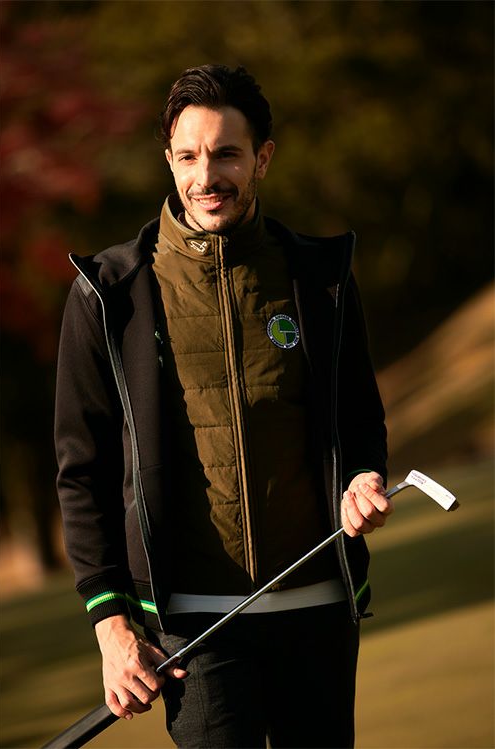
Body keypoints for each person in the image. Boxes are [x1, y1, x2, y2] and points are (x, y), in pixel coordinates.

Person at [55, 64, 391, 749]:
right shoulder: (108, 293)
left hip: (318, 613)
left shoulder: (320, 278)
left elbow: (360, 422)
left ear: (262, 158)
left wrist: (363, 477)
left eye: (227, 154)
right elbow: (82, 471)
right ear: (169, 160)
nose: (206, 176)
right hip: (194, 631)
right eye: (188, 156)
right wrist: (113, 627)